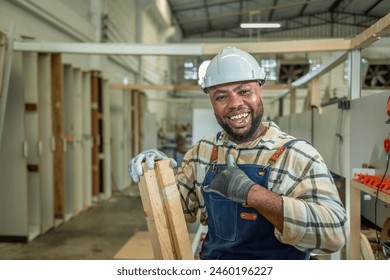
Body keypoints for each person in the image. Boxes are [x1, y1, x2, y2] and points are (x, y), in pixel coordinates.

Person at [128, 46, 347, 260]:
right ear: (211, 101)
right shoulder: (201, 153)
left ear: (260, 90)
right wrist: (157, 175)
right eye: (221, 97)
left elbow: (335, 234)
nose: (234, 104)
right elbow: (176, 211)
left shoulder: (298, 155)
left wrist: (252, 193)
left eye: (244, 91)